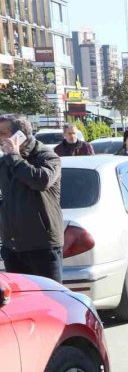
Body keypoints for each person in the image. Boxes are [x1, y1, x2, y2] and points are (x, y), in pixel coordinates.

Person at [0, 114, 63, 283]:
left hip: (42, 246)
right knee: (24, 304)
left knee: (51, 301)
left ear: (19, 136)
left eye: (2, 133)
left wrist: (14, 156)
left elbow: (41, 181)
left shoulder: (47, 156)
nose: (0, 139)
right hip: (13, 247)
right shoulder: (6, 160)